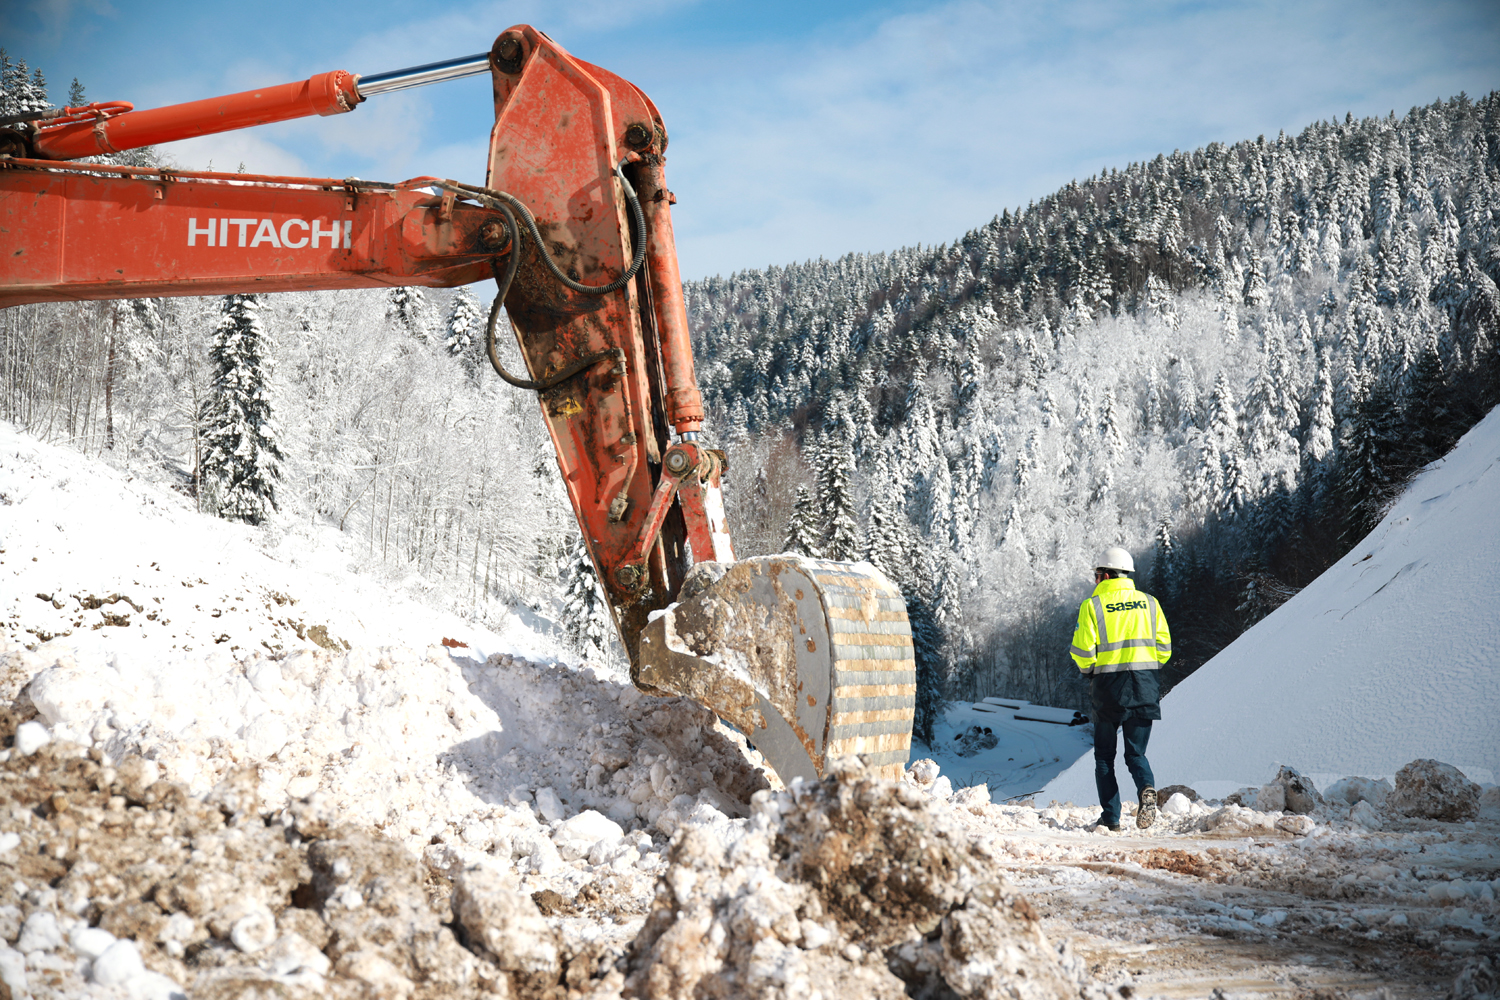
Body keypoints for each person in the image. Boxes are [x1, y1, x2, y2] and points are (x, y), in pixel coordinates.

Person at [1070, 546, 1171, 832]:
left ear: (1105, 575)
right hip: (1144, 686)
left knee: (1104, 756)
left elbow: (1081, 651)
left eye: (1096, 576)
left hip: (1108, 689)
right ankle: (1146, 788)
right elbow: (1164, 648)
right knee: (1136, 754)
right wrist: (1146, 667)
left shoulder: (1093, 606)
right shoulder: (1150, 603)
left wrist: (1089, 670)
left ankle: (1111, 818)